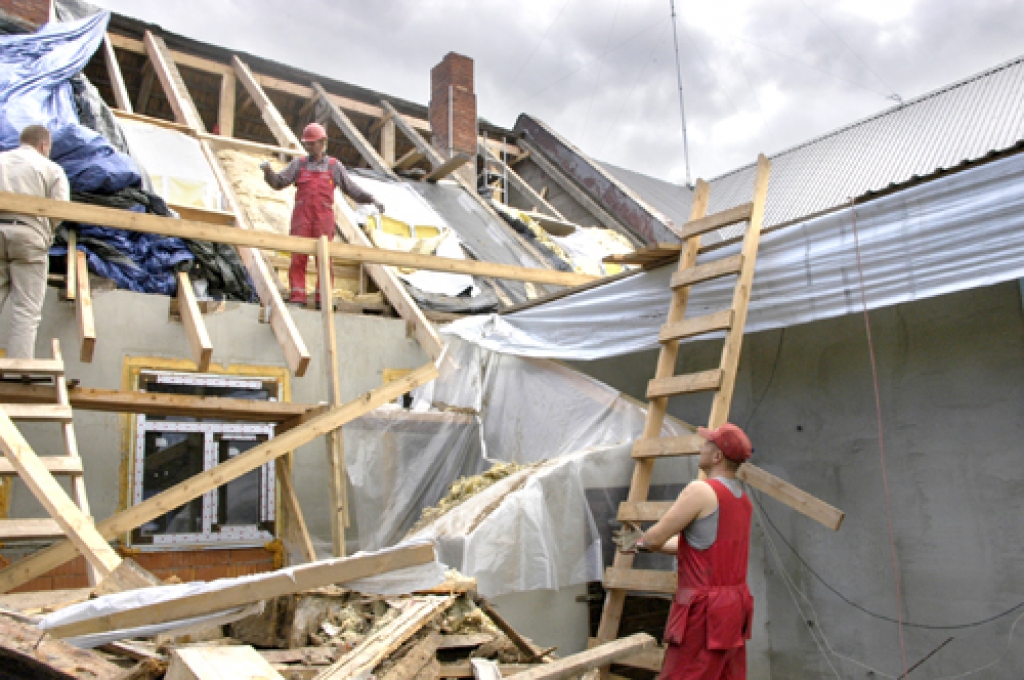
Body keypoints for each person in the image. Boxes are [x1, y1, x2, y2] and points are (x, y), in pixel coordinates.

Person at [619, 423, 754, 680]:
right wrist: (643, 545)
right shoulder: (742, 500)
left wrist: (642, 540)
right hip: (733, 610)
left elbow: (657, 538)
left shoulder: (701, 490)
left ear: (717, 457)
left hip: (704, 613)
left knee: (682, 675)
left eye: (707, 444)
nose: (701, 448)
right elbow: (701, 549)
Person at [261, 122, 385, 306]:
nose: (309, 147)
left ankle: (323, 298)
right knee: (298, 258)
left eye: (313, 143)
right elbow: (279, 183)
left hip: (323, 219)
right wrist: (268, 172)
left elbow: (352, 189)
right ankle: (298, 297)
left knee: (325, 259)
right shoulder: (299, 164)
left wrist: (372, 199)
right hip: (302, 218)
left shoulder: (334, 166)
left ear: (323, 142)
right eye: (307, 144)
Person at [0, 125, 70, 359]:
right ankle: (18, 370)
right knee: (26, 309)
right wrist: (45, 232)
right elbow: (60, 209)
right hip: (30, 235)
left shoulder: (2, 160)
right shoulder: (52, 169)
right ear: (43, 145)